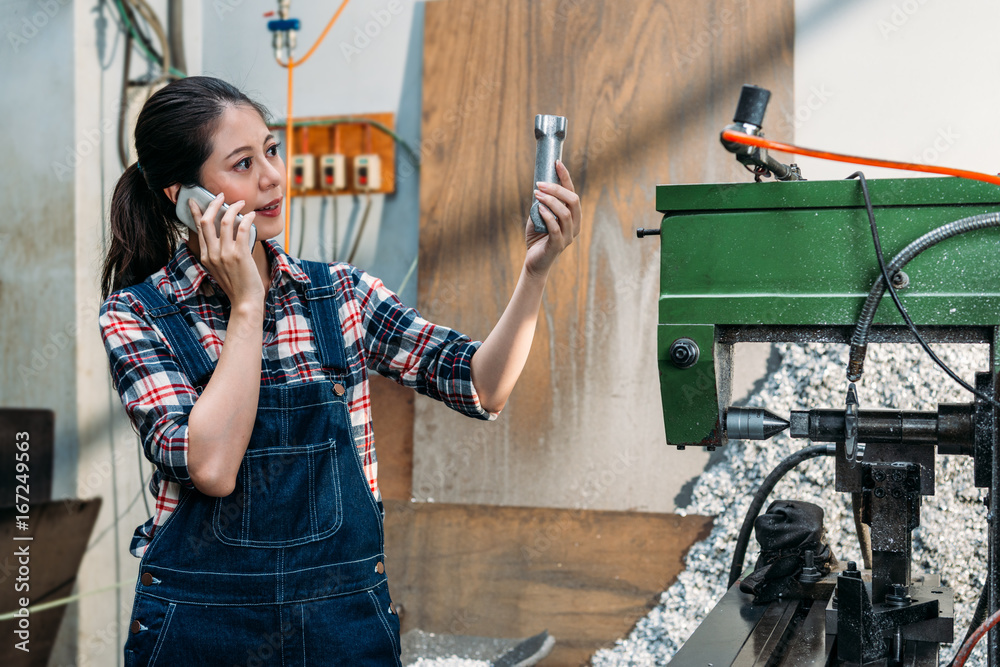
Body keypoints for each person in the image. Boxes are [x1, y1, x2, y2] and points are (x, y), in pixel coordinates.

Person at [98, 76, 581, 665]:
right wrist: (247, 306)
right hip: (203, 629)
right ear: (184, 196)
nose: (272, 177)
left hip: (341, 624)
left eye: (271, 150)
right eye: (243, 163)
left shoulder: (341, 296)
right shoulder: (137, 316)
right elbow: (214, 468)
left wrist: (535, 272)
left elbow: (481, 385)